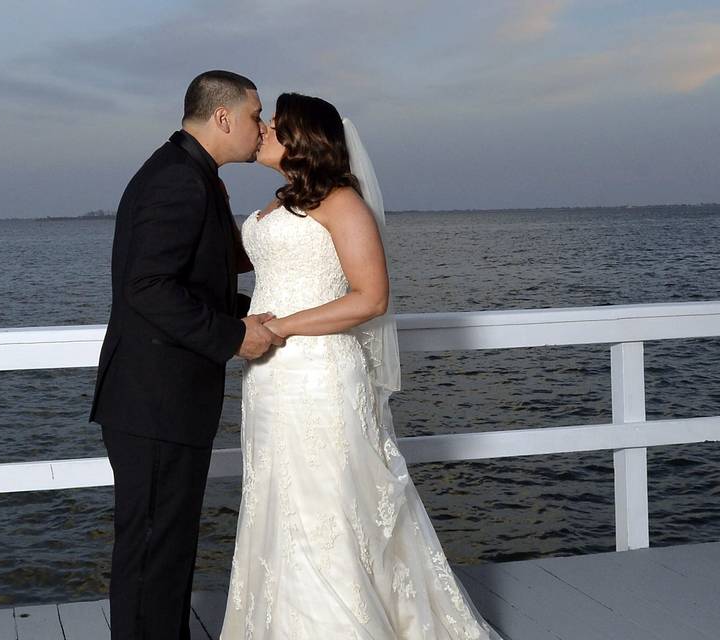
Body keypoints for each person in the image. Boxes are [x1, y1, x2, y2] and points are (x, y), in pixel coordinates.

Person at [220, 93, 502, 639]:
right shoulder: (277, 205)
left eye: (277, 123)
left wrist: (280, 327)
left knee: (326, 505)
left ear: (303, 139)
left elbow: (370, 298)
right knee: (276, 502)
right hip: (271, 380)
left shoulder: (342, 201)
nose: (266, 128)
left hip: (320, 373)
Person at [90, 70, 284, 640]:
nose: (262, 126)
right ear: (222, 117)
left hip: (162, 401)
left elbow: (201, 278)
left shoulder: (188, 173)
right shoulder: (177, 180)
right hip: (155, 403)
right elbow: (146, 288)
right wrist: (233, 336)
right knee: (153, 555)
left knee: (167, 552)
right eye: (255, 115)